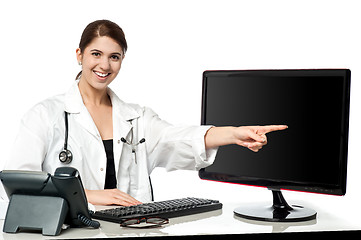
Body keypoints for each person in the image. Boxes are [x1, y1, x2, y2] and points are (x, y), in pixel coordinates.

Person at [4, 20, 287, 206]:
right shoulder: (44, 115)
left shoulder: (136, 118)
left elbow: (177, 138)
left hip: (129, 228)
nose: (104, 65)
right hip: (66, 232)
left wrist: (235, 133)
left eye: (114, 57)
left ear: (122, 60)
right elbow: (20, 185)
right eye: (96, 54)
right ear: (80, 54)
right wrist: (87, 196)